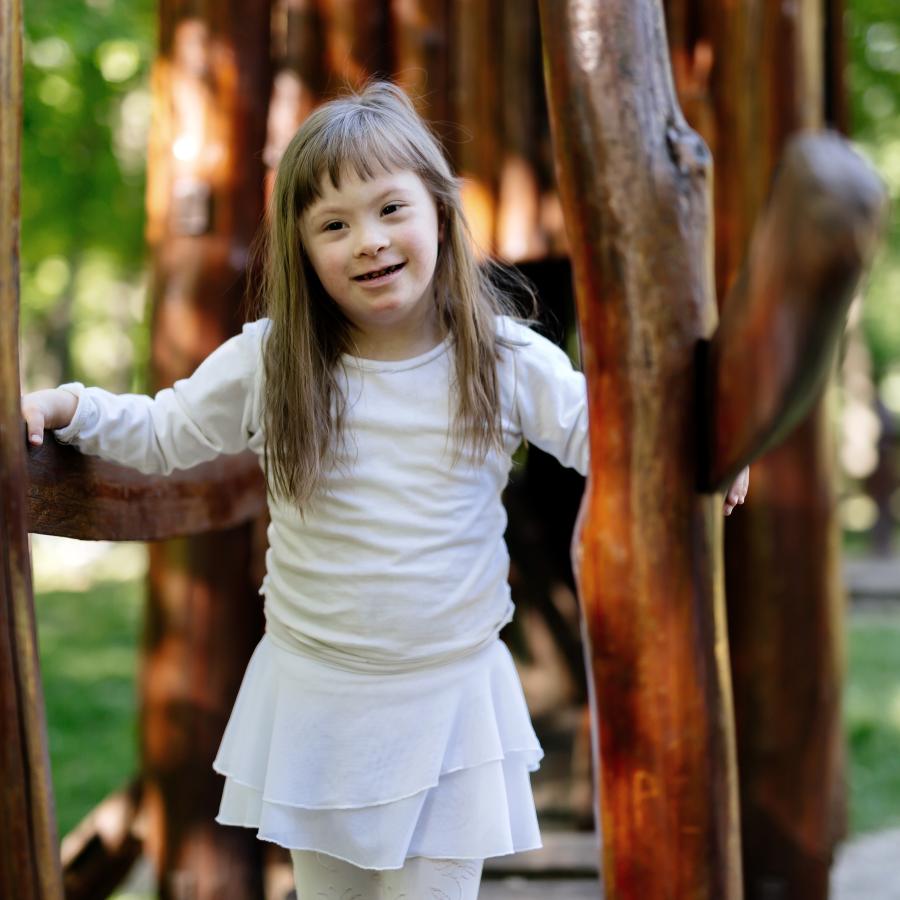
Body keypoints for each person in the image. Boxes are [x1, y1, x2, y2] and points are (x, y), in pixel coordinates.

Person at [21, 80, 749, 898]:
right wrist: (65, 406)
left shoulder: (502, 357)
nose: (367, 240)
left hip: (446, 700)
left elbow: (603, 433)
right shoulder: (273, 361)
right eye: (334, 225)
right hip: (316, 697)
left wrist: (699, 452)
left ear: (438, 209)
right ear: (302, 249)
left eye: (389, 209)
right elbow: (164, 431)